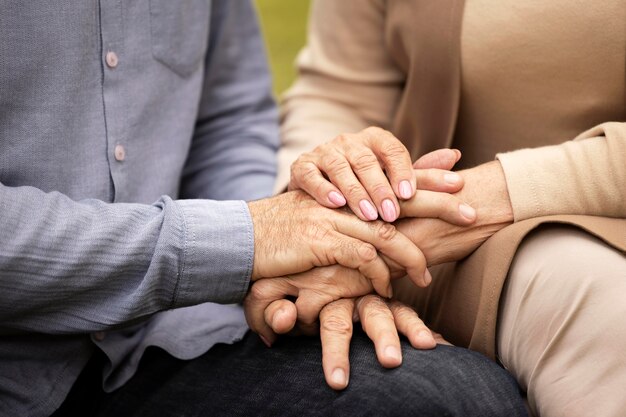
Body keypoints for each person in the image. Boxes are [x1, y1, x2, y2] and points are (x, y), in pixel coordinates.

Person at [0, 1, 527, 416]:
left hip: (163, 338)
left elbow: (228, 121)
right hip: (21, 372)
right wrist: (252, 242)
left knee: (455, 398)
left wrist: (309, 269)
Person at [267, 1, 626, 416]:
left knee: (601, 310)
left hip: (587, 252)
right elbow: (339, 91)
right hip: (406, 253)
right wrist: (313, 230)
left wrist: (483, 198)